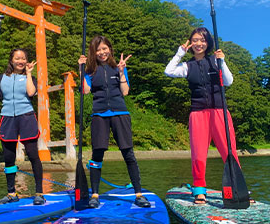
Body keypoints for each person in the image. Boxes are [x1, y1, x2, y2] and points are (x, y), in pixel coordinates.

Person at [164, 27, 241, 204]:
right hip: (198, 114)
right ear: (190, 43)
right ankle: (199, 190)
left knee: (229, 151)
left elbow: (228, 82)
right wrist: (180, 53)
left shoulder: (215, 60)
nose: (199, 43)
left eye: (203, 40)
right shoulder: (187, 66)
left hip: (219, 111)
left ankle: (237, 187)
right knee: (198, 154)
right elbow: (168, 71)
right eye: (195, 40)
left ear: (208, 43)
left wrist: (222, 61)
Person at [78, 35, 151, 209]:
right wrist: (81, 69)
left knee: (128, 153)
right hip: (99, 114)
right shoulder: (90, 72)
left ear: (110, 49)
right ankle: (95, 194)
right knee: (97, 153)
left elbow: (125, 91)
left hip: (120, 113)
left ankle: (138, 193)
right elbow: (86, 91)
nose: (102, 52)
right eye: (98, 50)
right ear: (93, 53)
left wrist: (120, 72)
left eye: (105, 48)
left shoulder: (118, 68)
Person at [0, 48, 45, 205]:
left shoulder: (30, 77)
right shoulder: (2, 78)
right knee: (9, 158)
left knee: (33, 154)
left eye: (23, 58)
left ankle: (39, 193)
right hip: (7, 118)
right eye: (17, 58)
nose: (20, 61)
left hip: (26, 117)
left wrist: (28, 73)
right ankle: (11, 194)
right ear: (11, 60)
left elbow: (31, 93)